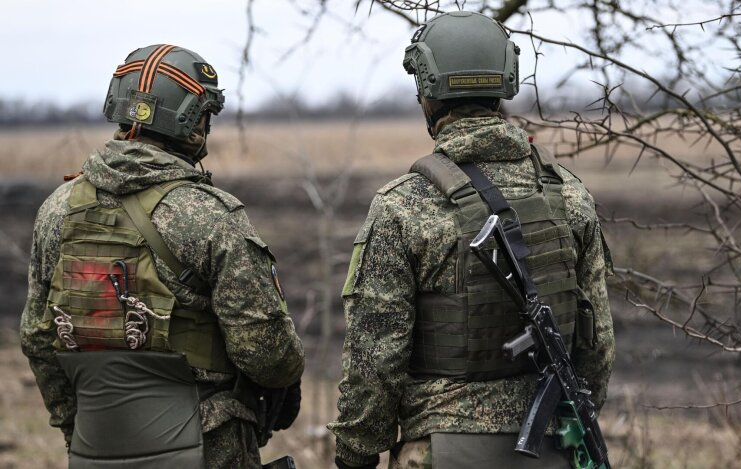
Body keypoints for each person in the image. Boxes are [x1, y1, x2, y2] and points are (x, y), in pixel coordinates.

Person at [329, 11, 615, 469]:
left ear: (426, 91)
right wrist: (574, 419)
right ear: (507, 81)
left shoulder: (404, 205)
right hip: (552, 447)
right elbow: (595, 342)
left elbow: (375, 358)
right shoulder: (570, 195)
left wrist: (356, 454)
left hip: (445, 448)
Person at [19, 44, 304, 468]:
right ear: (193, 123)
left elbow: (38, 339)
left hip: (94, 446)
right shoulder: (210, 215)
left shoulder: (56, 209)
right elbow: (268, 356)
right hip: (204, 446)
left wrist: (74, 426)